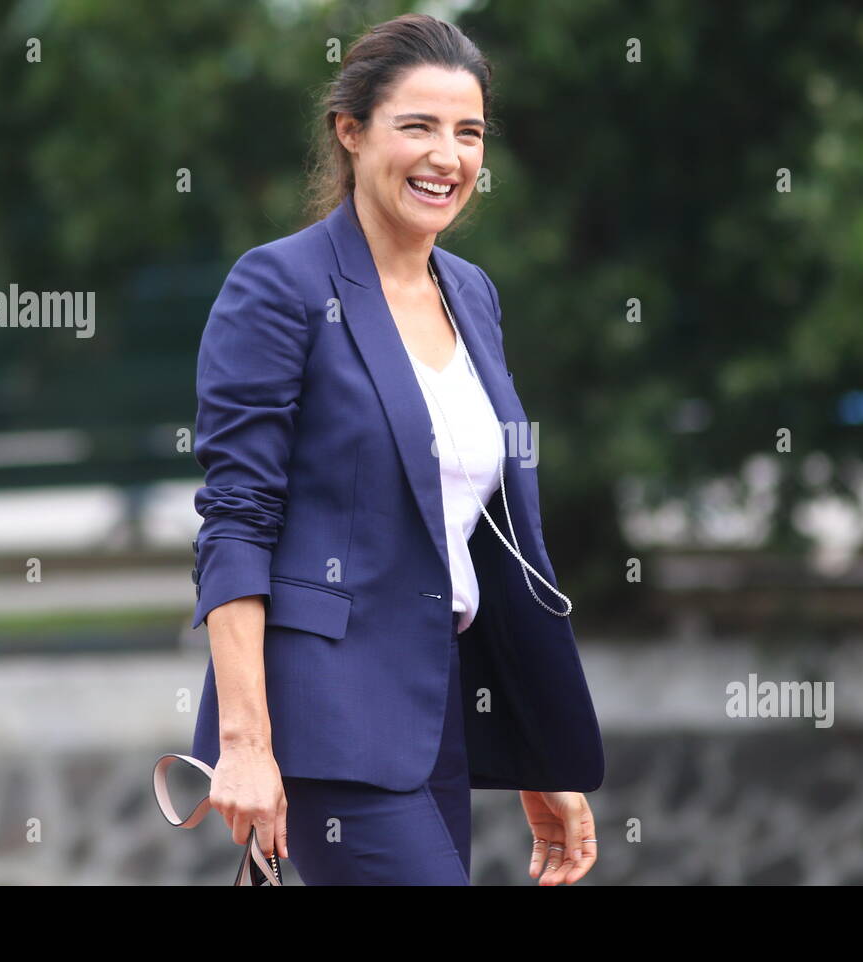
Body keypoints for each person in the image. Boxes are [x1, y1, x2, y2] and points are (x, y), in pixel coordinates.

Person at [187, 13, 603, 885]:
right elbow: (236, 524)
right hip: (326, 725)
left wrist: (540, 752)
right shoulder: (278, 286)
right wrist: (246, 746)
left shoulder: (472, 293)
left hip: (438, 712)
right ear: (350, 130)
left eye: (468, 131)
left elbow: (490, 531)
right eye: (416, 125)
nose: (445, 155)